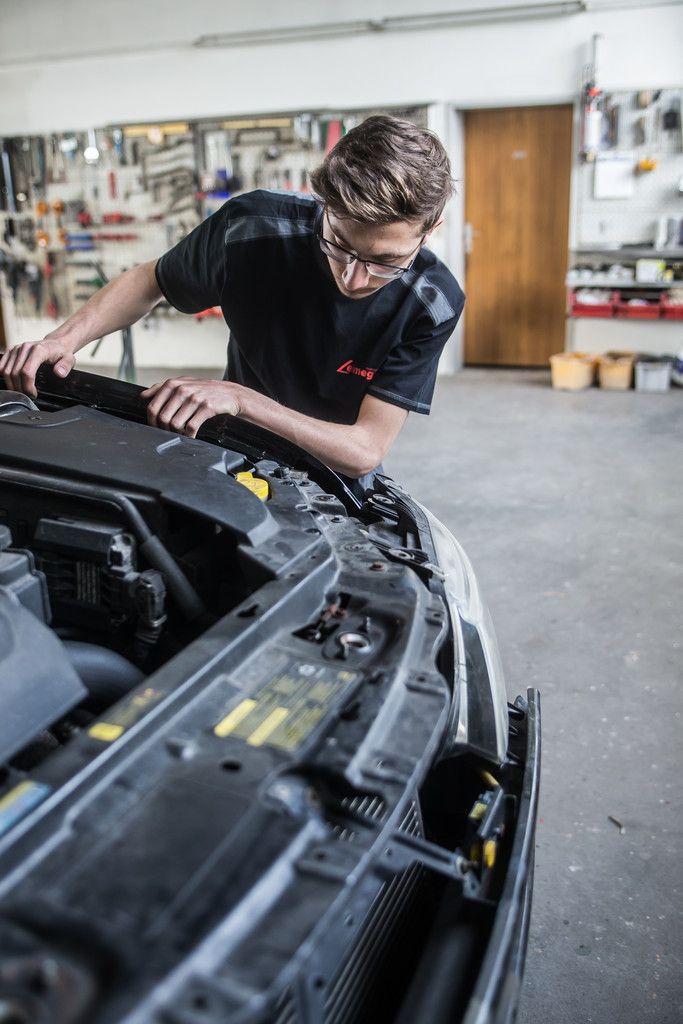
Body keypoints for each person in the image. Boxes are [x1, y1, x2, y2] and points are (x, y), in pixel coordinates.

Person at [0, 115, 464, 495]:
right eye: (339, 244)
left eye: (385, 261)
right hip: (229, 446)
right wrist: (59, 342)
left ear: (432, 226)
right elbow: (149, 280)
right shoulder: (250, 230)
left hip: (332, 476)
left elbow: (364, 448)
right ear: (323, 203)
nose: (353, 276)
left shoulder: (432, 302)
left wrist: (240, 398)